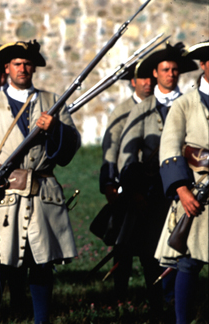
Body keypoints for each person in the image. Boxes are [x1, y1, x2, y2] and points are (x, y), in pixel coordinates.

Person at [0, 40, 81, 324]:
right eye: (17, 64)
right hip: (4, 196)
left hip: (42, 194)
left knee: (41, 265)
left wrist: (54, 127)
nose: (23, 68)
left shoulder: (53, 101)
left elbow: (70, 149)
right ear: (7, 68)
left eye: (28, 64)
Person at [118, 42, 198, 317]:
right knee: (152, 251)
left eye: (175, 70)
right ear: (155, 73)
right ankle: (157, 305)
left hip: (186, 189)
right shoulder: (144, 109)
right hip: (150, 194)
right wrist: (133, 190)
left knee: (185, 250)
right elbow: (127, 154)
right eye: (165, 69)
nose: (171, 74)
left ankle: (177, 302)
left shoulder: (190, 102)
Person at [155, 39, 209, 324]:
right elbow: (170, 148)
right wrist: (181, 189)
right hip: (197, 195)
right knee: (188, 263)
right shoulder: (184, 104)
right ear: (205, 65)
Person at [99, 60, 156, 302]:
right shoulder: (122, 110)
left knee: (150, 246)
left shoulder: (160, 108)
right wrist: (109, 184)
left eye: (150, 78)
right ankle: (120, 296)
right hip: (126, 186)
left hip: (153, 187)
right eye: (141, 78)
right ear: (133, 82)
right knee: (123, 245)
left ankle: (157, 297)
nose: (147, 83)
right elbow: (110, 149)